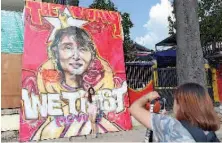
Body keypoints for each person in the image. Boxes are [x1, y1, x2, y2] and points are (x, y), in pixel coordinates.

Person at [31, 26, 120, 140]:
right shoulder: (48, 90)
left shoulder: (98, 87)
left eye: (83, 49)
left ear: (92, 54)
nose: (76, 56)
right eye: (68, 48)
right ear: (55, 52)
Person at [129, 83, 221, 142]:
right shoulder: (209, 129)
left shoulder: (171, 126)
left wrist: (147, 97)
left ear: (180, 104)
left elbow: (134, 108)